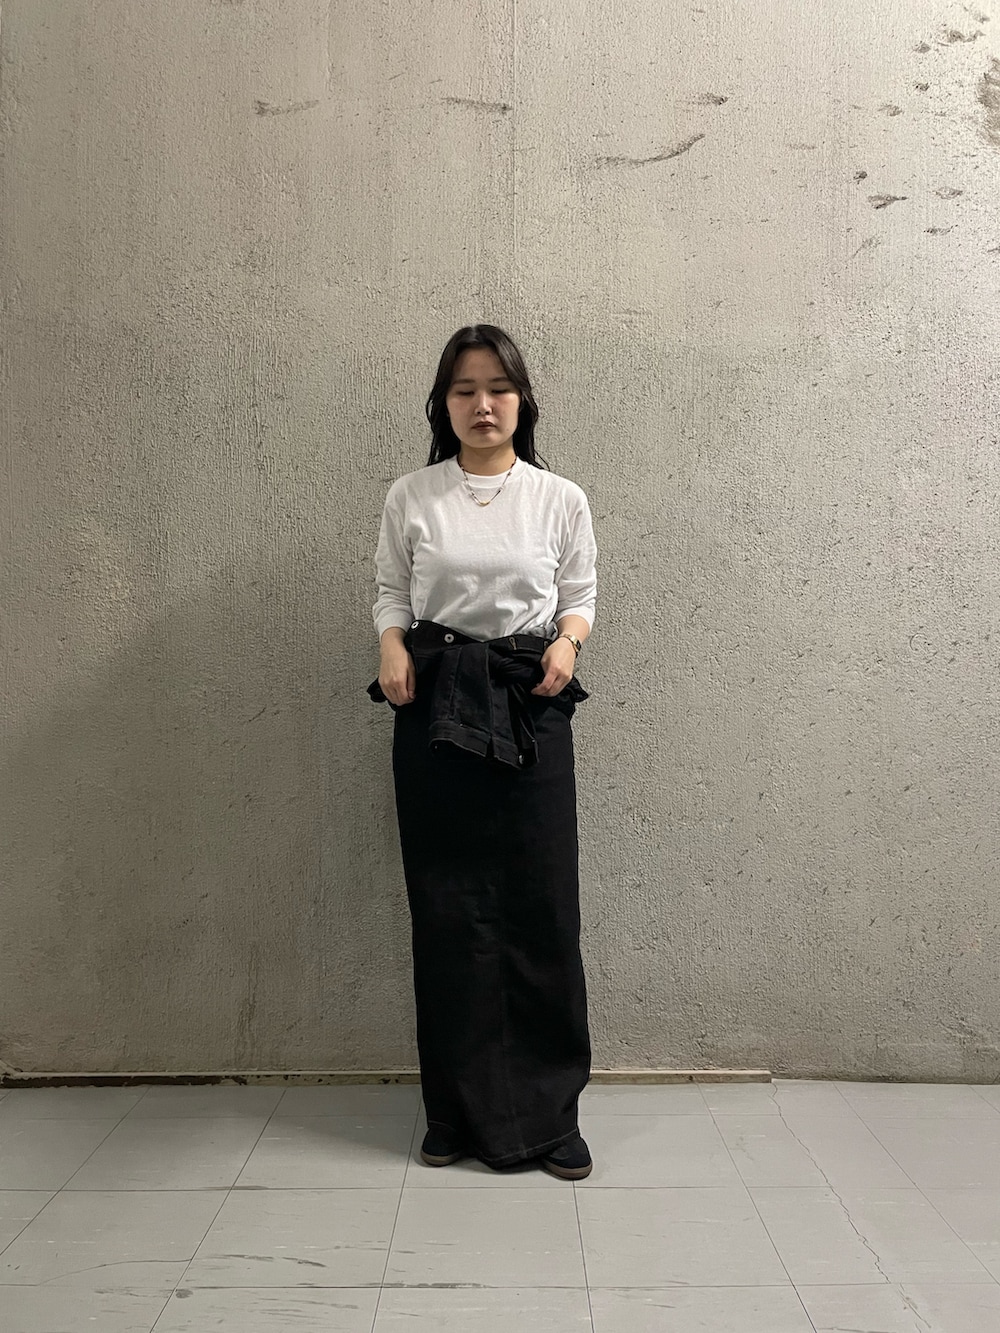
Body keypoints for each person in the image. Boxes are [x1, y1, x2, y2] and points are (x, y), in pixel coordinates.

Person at [368, 324, 597, 1180]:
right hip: (435, 703)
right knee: (449, 905)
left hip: (530, 700)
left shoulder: (559, 498)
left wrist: (568, 643)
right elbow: (392, 589)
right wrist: (390, 644)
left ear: (523, 401)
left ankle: (552, 1116)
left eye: (498, 388)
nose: (483, 404)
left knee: (542, 906)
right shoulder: (413, 495)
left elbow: (580, 594)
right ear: (443, 404)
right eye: (464, 390)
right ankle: (454, 1112)